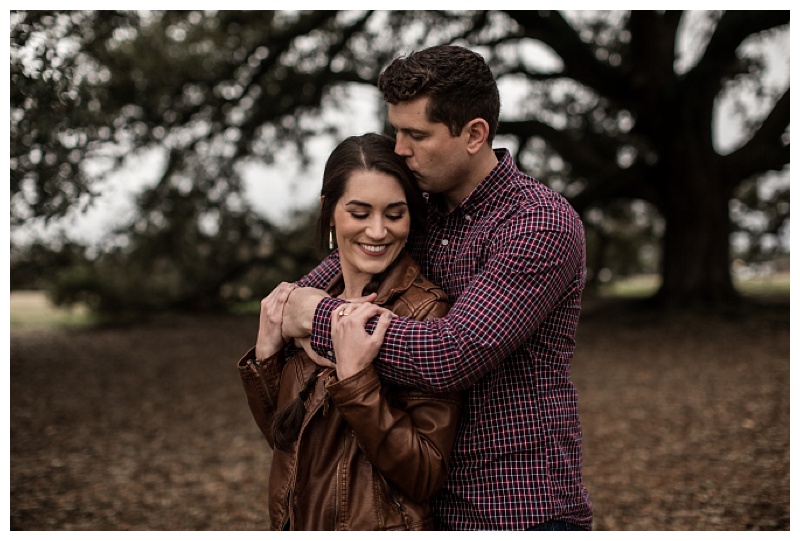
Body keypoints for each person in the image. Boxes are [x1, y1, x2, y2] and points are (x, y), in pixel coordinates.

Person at [279, 45, 593, 530]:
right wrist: (293, 305)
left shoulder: (537, 223)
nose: (400, 149)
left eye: (416, 134)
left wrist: (317, 319)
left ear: (474, 134)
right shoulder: (417, 210)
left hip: (514, 505)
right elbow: (312, 288)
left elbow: (450, 353)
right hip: (413, 503)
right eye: (396, 130)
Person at [237, 133, 462, 531]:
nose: (378, 232)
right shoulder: (309, 303)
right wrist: (267, 356)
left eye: (394, 214)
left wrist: (358, 381)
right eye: (360, 213)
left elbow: (425, 474)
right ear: (330, 211)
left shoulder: (421, 310)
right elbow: (287, 440)